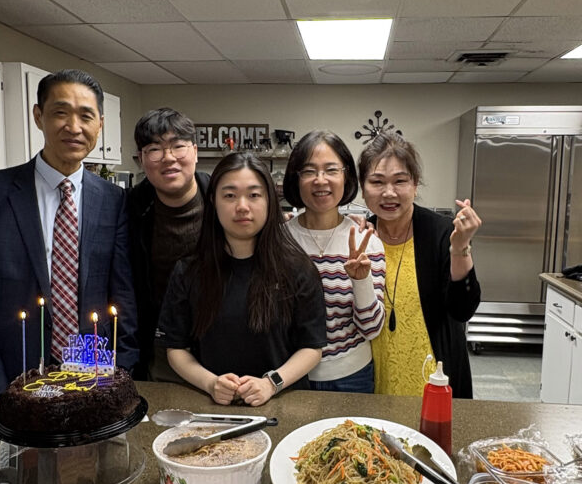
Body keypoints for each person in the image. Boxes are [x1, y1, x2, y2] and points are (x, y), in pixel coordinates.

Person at [0, 69, 138, 440]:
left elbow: (123, 293)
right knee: (19, 477)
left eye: (86, 116)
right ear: (38, 116)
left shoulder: (113, 200)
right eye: (60, 112)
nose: (74, 126)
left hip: (94, 385)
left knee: (96, 473)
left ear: (100, 125)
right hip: (15, 388)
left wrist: (125, 376)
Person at [159, 152, 327, 406]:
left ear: (270, 201)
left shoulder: (298, 268)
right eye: (229, 195)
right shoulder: (189, 270)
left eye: (254, 195)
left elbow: (312, 347)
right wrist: (211, 383)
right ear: (213, 201)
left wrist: (271, 383)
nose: (242, 206)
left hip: (282, 405)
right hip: (212, 407)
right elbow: (176, 348)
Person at [357, 131, 481, 398]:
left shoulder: (440, 232)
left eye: (400, 181)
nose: (389, 193)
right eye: (377, 182)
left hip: (434, 383)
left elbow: (462, 310)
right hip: (373, 381)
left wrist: (460, 247)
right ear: (363, 188)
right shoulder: (360, 238)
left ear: (415, 185)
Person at [282, 130, 385, 392]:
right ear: (296, 178)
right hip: (290, 374)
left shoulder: (364, 241)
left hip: (352, 376)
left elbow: (371, 329)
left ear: (346, 176)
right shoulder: (279, 240)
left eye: (331, 170)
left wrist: (361, 280)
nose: (320, 180)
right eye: (309, 171)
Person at [126, 108, 211, 381]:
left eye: (178, 146)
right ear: (141, 159)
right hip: (159, 346)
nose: (168, 158)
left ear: (195, 151)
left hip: (221, 338)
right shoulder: (128, 209)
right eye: (154, 149)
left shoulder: (222, 198)